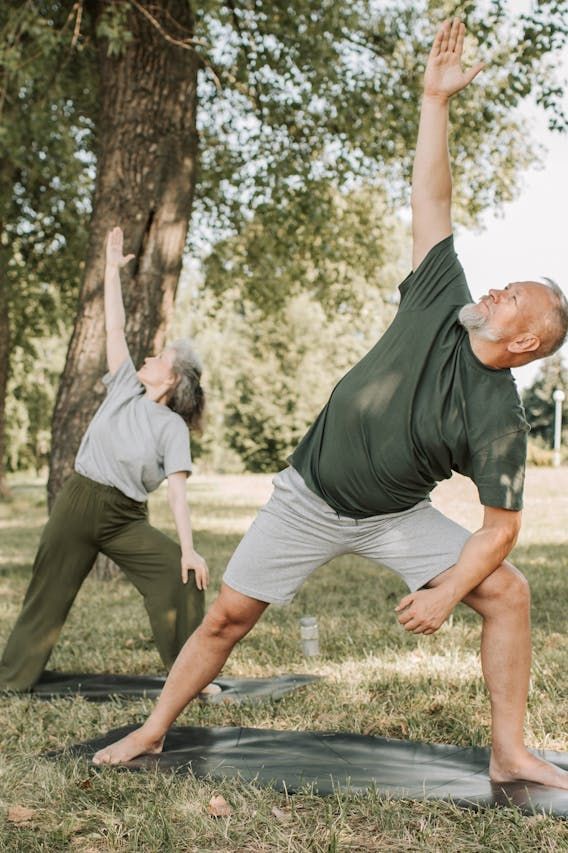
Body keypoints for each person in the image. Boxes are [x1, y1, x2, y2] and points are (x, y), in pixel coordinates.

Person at [93, 21, 568, 789]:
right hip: (308, 494)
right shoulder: (441, 297)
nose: (494, 289)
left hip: (393, 515)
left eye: (512, 297)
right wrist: (434, 103)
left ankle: (511, 750)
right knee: (227, 618)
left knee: (507, 593)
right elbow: (431, 193)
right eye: (502, 282)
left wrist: (447, 589)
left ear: (524, 344)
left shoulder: (500, 415)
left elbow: (503, 530)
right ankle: (152, 732)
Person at [0, 226, 211, 691]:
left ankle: (190, 677)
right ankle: (12, 679)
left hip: (124, 518)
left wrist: (190, 548)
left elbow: (177, 492)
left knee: (182, 577)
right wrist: (110, 270)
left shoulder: (171, 427)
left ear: (172, 380)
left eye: (159, 356)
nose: (150, 356)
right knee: (46, 593)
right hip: (78, 502)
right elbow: (114, 325)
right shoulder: (124, 387)